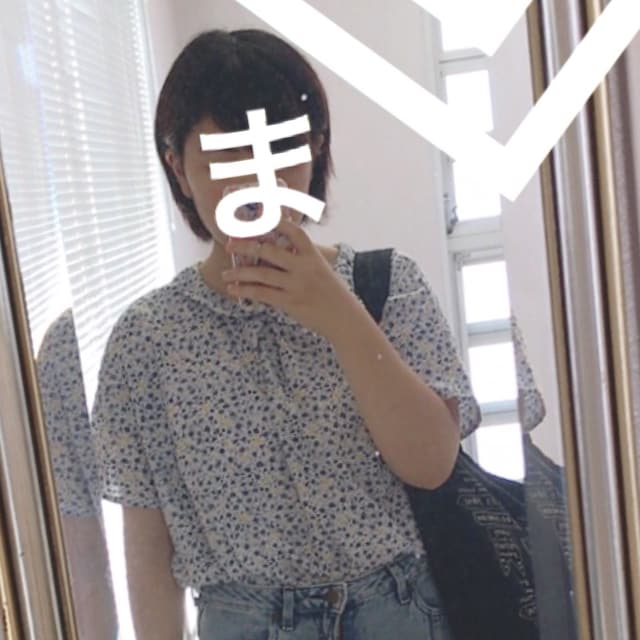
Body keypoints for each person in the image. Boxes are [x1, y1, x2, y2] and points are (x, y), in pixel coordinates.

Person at [91, 29, 480, 640]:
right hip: (242, 622)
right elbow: (148, 550)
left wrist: (341, 317)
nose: (258, 184)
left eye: (280, 153)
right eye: (228, 161)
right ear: (179, 169)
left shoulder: (387, 286)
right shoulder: (147, 341)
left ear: (316, 148)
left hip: (399, 614)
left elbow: (432, 464)